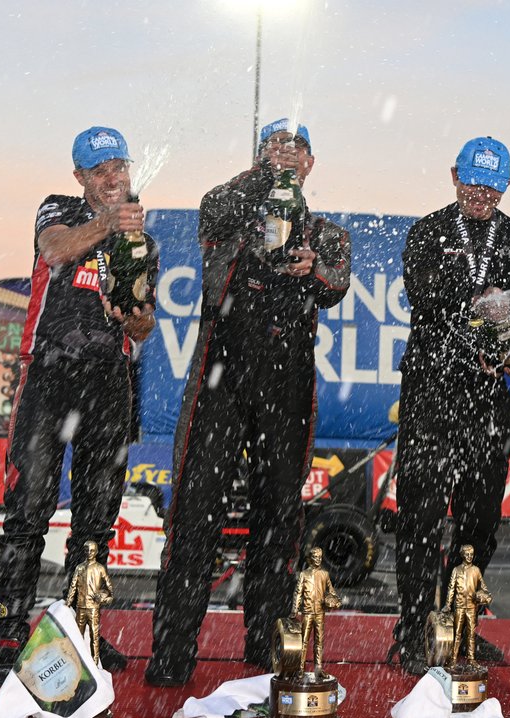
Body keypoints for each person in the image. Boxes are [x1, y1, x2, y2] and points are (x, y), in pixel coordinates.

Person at [145, 118, 351, 687]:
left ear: (312, 164)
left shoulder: (326, 232)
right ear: (260, 155)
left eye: (298, 149)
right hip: (220, 377)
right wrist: (266, 180)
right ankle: (171, 655)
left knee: (279, 518)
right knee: (193, 514)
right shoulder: (234, 206)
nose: (288, 155)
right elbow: (210, 208)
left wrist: (312, 269)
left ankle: (265, 648)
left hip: (287, 383)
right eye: (277, 146)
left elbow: (337, 284)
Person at [0, 126, 157, 685]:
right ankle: (10, 629)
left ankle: (81, 627)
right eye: (100, 171)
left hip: (108, 382)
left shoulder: (142, 241)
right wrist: (111, 221)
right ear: (80, 177)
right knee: (28, 509)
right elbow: (55, 250)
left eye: (120, 167)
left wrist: (133, 317)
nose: (114, 178)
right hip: (49, 377)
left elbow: (146, 322)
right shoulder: (57, 209)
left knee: (96, 517)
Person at [389, 136, 510, 675]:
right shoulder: (429, 230)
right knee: (420, 516)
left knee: (480, 518)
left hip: (487, 395)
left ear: (506, 187)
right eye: (473, 182)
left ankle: (462, 624)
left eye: (492, 187)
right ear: (454, 174)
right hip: (431, 390)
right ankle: (410, 629)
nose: (480, 195)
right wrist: (483, 305)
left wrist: (507, 341)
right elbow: (428, 298)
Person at [290, 546, 342, 677]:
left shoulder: (325, 574)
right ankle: (300, 668)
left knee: (319, 641)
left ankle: (318, 668)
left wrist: (336, 601)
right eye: (315, 557)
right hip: (307, 612)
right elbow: (297, 593)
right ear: (310, 559)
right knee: (304, 641)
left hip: (320, 613)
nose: (318, 559)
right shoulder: (304, 574)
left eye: (320, 557)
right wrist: (294, 610)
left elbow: (331, 591)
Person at [65, 540, 115, 666]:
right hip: (80, 607)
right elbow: (73, 586)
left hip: (93, 608)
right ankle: (77, 663)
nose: (89, 553)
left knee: (94, 637)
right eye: (87, 550)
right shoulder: (79, 567)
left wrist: (103, 598)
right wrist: (68, 603)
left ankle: (94, 664)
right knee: (78, 638)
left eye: (92, 550)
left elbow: (110, 591)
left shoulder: (100, 568)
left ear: (96, 552)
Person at [443, 544, 491, 669]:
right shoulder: (456, 570)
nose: (469, 556)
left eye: (471, 554)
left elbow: (483, 587)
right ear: (463, 555)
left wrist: (484, 596)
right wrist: (448, 604)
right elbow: (451, 589)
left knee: (470, 634)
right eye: (467, 554)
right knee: (457, 633)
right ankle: (453, 658)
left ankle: (471, 659)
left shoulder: (476, 570)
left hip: (471, 607)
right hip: (459, 606)